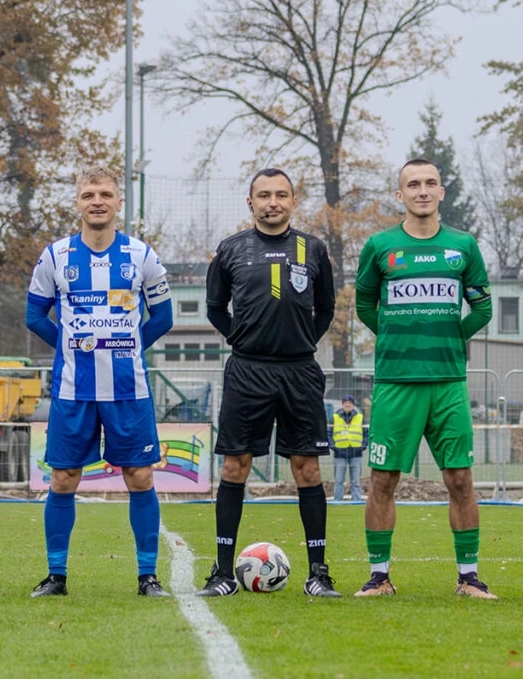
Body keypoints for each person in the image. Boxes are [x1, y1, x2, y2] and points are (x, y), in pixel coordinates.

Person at [25, 166, 173, 598]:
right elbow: (34, 315)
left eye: (105, 194)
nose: (97, 201)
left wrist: (130, 346)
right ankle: (56, 576)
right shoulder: (55, 256)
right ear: (77, 202)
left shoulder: (142, 255)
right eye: (89, 194)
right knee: (63, 478)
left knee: (140, 477)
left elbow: (163, 316)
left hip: (129, 390)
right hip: (73, 390)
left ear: (118, 202)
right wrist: (69, 346)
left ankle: (147, 576)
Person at [353, 159, 496, 599]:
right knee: (383, 480)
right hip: (396, 382)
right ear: (400, 195)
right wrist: (398, 338)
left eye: (430, 183)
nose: (422, 191)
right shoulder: (379, 246)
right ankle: (379, 577)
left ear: (441, 192)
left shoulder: (462, 245)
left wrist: (447, 337)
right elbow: (364, 305)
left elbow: (483, 308)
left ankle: (468, 578)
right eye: (413, 184)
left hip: (448, 382)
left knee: (460, 480)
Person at [197, 167, 340, 598]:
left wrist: (301, 342)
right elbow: (215, 307)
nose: (272, 202)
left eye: (281, 194)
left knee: (307, 468)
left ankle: (318, 574)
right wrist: (242, 339)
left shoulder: (314, 249)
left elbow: (326, 309)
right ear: (251, 202)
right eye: (264, 195)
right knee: (234, 466)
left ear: (294, 201)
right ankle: (223, 574)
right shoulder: (231, 249)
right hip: (247, 370)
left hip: (300, 372)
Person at [329, 395, 365, 501]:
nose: (347, 404)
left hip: (356, 452)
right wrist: (333, 446)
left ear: (353, 405)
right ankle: (338, 501)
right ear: (342, 404)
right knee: (339, 480)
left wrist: (363, 446)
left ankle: (356, 501)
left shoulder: (360, 417)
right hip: (339, 453)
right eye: (345, 402)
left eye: (350, 403)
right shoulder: (334, 417)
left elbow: (367, 433)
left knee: (356, 481)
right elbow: (328, 433)